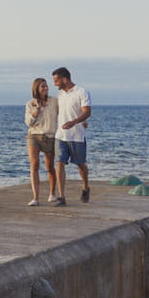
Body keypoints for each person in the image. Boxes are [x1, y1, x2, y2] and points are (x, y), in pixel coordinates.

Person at [51, 66, 92, 206]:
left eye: (56, 81)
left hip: (77, 136)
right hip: (61, 135)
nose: (55, 84)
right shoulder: (60, 95)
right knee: (59, 163)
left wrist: (74, 122)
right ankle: (61, 197)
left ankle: (85, 186)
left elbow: (87, 112)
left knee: (81, 165)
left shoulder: (82, 92)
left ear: (64, 79)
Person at [25, 78, 58, 206]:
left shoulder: (54, 102)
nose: (45, 88)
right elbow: (28, 123)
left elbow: (65, 113)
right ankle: (35, 198)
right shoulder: (30, 104)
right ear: (36, 89)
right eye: (42, 86)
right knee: (34, 165)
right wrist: (35, 112)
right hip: (34, 136)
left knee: (50, 167)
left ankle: (52, 193)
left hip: (50, 136)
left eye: (46, 86)